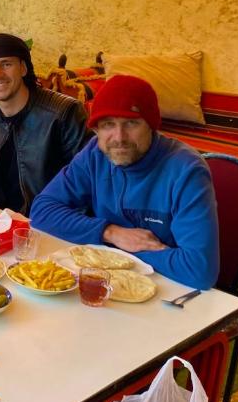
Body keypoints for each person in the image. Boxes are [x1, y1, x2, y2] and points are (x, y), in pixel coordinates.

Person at [30, 74, 219, 289]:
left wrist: (116, 252)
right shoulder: (94, 154)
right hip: (108, 286)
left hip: (169, 290)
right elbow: (42, 211)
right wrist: (110, 233)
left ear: (151, 126)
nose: (119, 137)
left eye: (131, 123)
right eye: (108, 124)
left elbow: (199, 270)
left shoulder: (186, 171)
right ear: (96, 130)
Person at [0, 33, 88, 215]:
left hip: (51, 224)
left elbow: (85, 182)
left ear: (24, 68)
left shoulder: (64, 112)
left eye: (6, 64)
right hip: (0, 224)